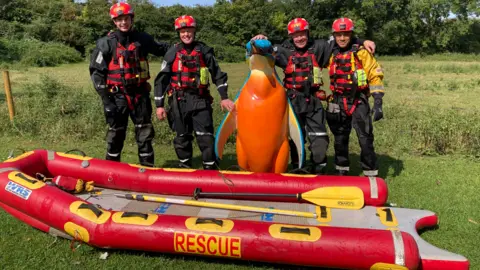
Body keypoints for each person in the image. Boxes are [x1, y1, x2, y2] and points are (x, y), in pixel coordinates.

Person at [252, 18, 375, 174]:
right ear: (291, 36)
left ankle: (318, 169)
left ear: (307, 33)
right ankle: (298, 168)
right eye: (295, 35)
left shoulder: (320, 47)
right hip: (292, 101)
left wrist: (363, 41)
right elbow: (258, 52)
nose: (299, 38)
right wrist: (259, 39)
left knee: (320, 140)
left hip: (313, 101)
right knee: (296, 138)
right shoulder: (282, 50)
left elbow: (342, 39)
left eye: (302, 34)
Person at [89, 2, 170, 167]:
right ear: (114, 22)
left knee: (145, 133)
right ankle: (111, 172)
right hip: (116, 97)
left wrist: (184, 48)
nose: (123, 23)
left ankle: (146, 170)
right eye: (119, 20)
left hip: (140, 96)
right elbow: (97, 74)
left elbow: (163, 49)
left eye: (126, 18)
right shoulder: (105, 43)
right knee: (116, 134)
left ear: (131, 18)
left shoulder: (143, 39)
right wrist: (107, 102)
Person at [154, 15, 235, 170]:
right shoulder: (172, 52)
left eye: (189, 30)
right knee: (182, 138)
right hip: (178, 101)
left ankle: (210, 168)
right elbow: (161, 80)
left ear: (194, 30)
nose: (186, 34)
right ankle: (185, 167)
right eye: (183, 31)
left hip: (200, 100)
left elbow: (218, 74)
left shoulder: (204, 51)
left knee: (205, 137)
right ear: (179, 33)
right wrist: (159, 105)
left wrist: (224, 97)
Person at [325, 18, 385, 177]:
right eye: (339, 34)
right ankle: (341, 170)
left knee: (365, 139)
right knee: (339, 139)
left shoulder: (362, 52)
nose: (342, 38)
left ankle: (370, 173)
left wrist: (378, 102)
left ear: (351, 34)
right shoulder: (331, 53)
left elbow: (375, 76)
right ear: (334, 35)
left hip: (359, 101)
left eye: (346, 34)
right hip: (337, 100)